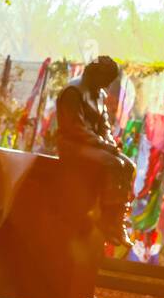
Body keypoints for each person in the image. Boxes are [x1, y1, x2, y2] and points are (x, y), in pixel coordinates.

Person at [55, 55, 135, 247]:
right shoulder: (73, 91)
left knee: (128, 165)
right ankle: (106, 219)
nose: (105, 85)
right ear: (95, 74)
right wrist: (103, 145)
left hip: (93, 145)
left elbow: (104, 125)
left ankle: (117, 220)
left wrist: (110, 142)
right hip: (72, 145)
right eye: (104, 80)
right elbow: (75, 128)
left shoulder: (99, 95)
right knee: (112, 163)